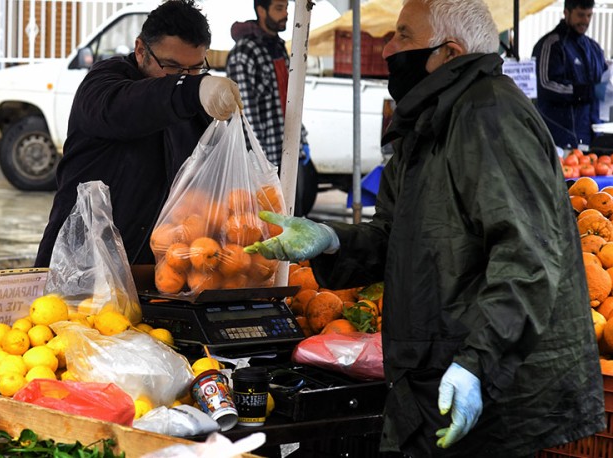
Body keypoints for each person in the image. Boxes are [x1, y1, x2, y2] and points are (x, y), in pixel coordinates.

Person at [245, 0, 604, 455]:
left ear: (449, 53)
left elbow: (528, 256)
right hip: (429, 371)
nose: (388, 45)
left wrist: (477, 365)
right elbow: (393, 234)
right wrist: (332, 242)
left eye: (403, 36)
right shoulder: (428, 121)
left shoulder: (489, 115)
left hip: (489, 386)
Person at [34, 0, 242, 267]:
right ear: (141, 49)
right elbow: (124, 108)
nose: (185, 77)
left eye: (195, 68)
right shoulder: (103, 84)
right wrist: (190, 89)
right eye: (172, 67)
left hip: (152, 274)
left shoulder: (193, 105)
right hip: (79, 264)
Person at [226, 0, 311, 215]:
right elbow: (246, 115)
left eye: (287, 8)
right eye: (279, 8)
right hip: (264, 163)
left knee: (292, 221)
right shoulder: (244, 53)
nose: (286, 14)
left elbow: (288, 100)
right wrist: (259, 164)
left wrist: (301, 139)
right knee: (267, 230)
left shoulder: (278, 47)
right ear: (261, 10)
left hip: (289, 153)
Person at [532, 0, 608, 149]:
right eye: (580, 15)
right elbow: (546, 85)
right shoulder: (551, 45)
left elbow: (605, 82)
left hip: (590, 135)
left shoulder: (595, 48)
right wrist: (588, 91)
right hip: (558, 135)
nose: (585, 21)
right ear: (566, 12)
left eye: (589, 15)